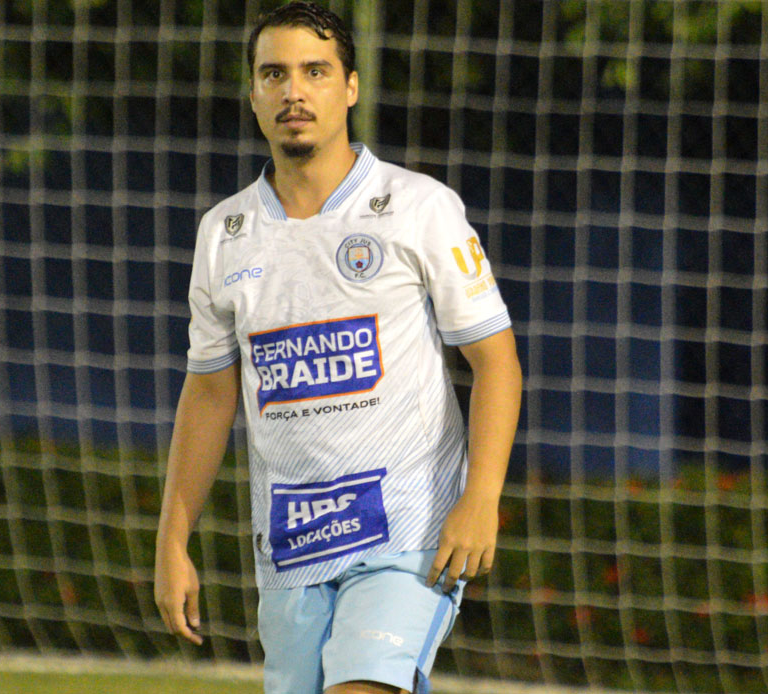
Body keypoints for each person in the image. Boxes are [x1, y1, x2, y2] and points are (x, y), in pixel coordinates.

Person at [154, 2, 522, 693]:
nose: (294, 91)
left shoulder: (419, 207)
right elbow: (208, 393)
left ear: (349, 87)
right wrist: (172, 543)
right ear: (255, 93)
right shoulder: (223, 234)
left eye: (315, 72)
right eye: (275, 74)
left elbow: (495, 360)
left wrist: (482, 497)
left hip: (409, 528)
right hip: (292, 541)